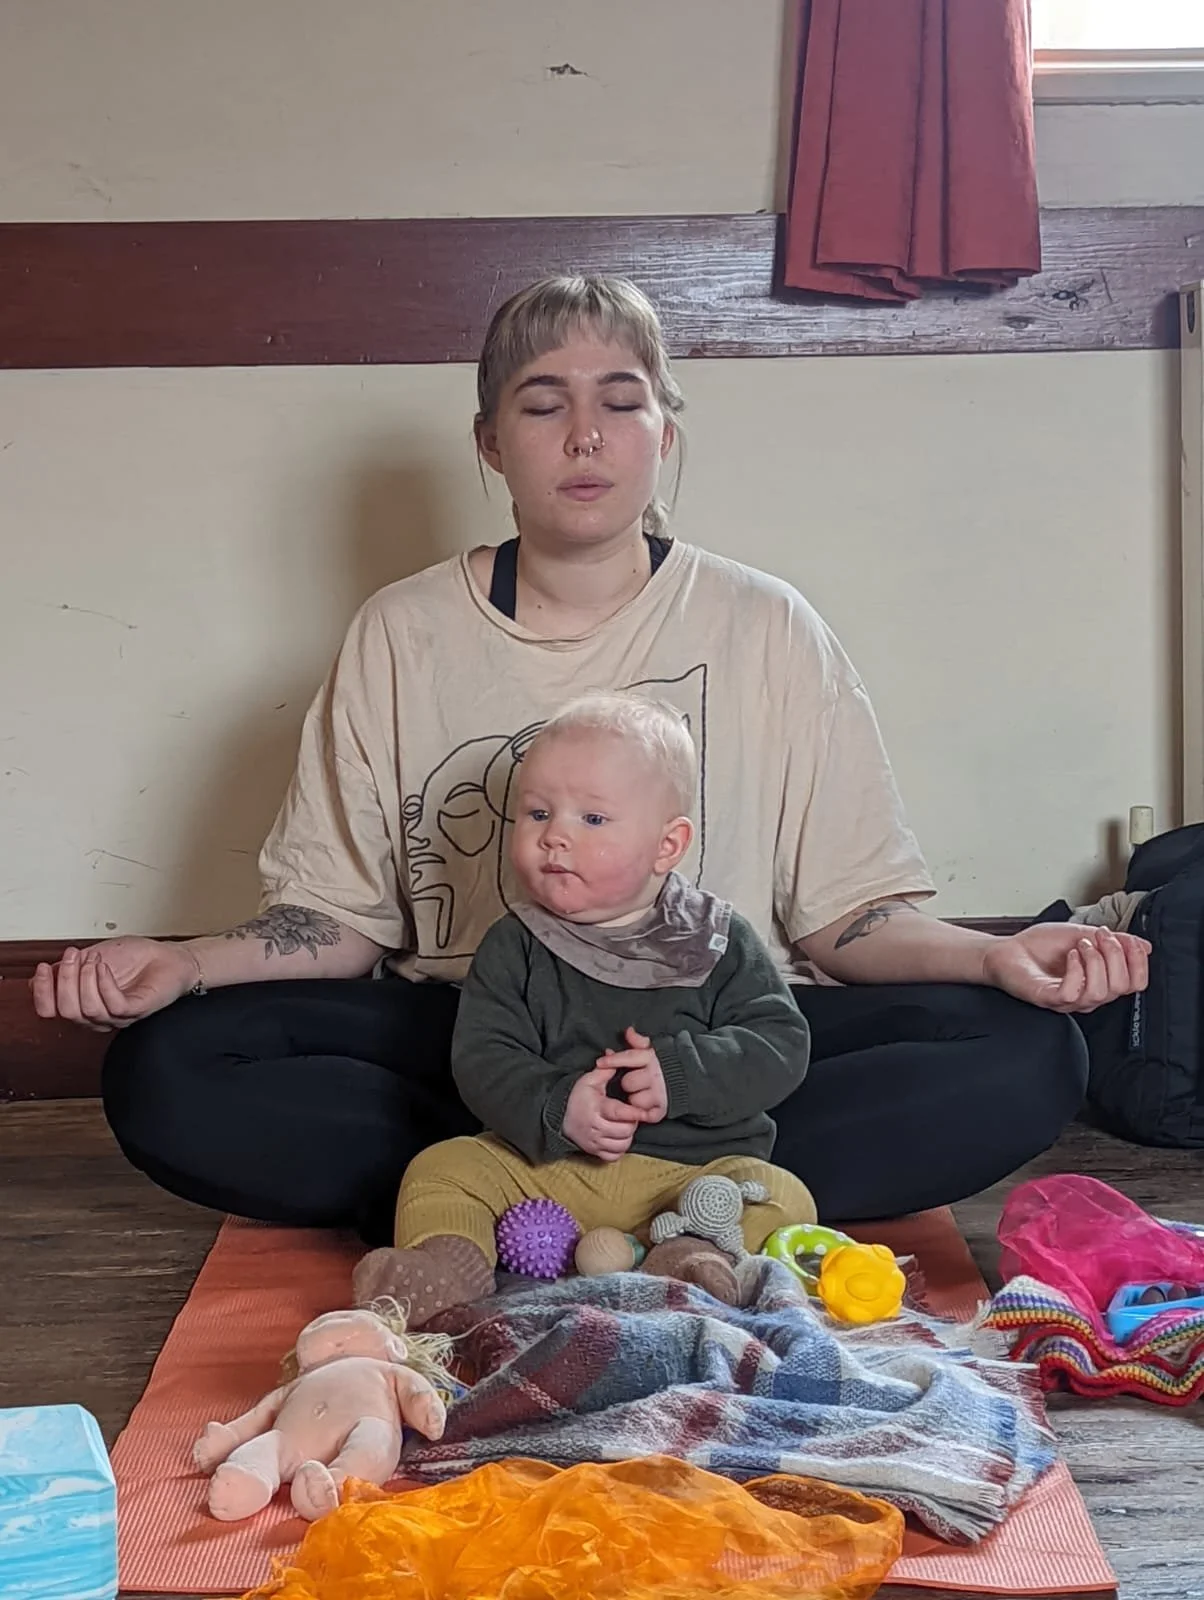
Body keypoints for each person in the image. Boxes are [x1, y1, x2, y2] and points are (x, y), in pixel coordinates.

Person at [32, 273, 1148, 1246]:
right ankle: (680, 1206)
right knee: (169, 1069)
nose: (585, 437)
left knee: (1022, 1055)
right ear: (488, 440)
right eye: (542, 404)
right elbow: (337, 923)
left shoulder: (766, 625)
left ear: (664, 431)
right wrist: (185, 963)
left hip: (710, 1051)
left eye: (622, 403)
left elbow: (842, 923)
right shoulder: (402, 630)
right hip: (484, 1038)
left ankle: (524, 1202)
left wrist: (996, 958)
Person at [351, 693, 815, 1326]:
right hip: (550, 1171)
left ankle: (690, 1255)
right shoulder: (514, 944)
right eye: (537, 812)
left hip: (691, 1178)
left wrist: (681, 1074)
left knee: (783, 1195)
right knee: (443, 1168)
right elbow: (485, 1056)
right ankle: (445, 1267)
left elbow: (780, 1044)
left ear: (667, 844)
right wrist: (557, 1104)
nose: (555, 837)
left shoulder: (717, 939)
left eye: (592, 819)